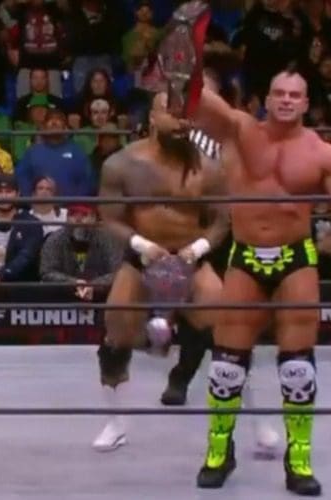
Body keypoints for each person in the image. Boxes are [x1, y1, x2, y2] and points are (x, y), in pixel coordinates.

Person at [154, 2, 331, 495]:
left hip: (297, 260)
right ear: (267, 98)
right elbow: (188, 94)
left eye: (295, 94)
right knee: (226, 365)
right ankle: (219, 451)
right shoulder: (238, 130)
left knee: (297, 368)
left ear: (306, 101)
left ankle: (299, 463)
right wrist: (183, 38)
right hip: (246, 258)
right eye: (279, 93)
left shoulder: (323, 154)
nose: (286, 101)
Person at [93, 91, 230, 452]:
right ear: (152, 117)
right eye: (172, 113)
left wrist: (197, 249)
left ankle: (254, 422)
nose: (181, 121)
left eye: (186, 115)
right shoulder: (122, 164)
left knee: (231, 333)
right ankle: (115, 422)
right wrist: (141, 244)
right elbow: (110, 216)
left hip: (191, 259)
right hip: (143, 259)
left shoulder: (208, 167)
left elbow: (221, 221)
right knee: (116, 330)